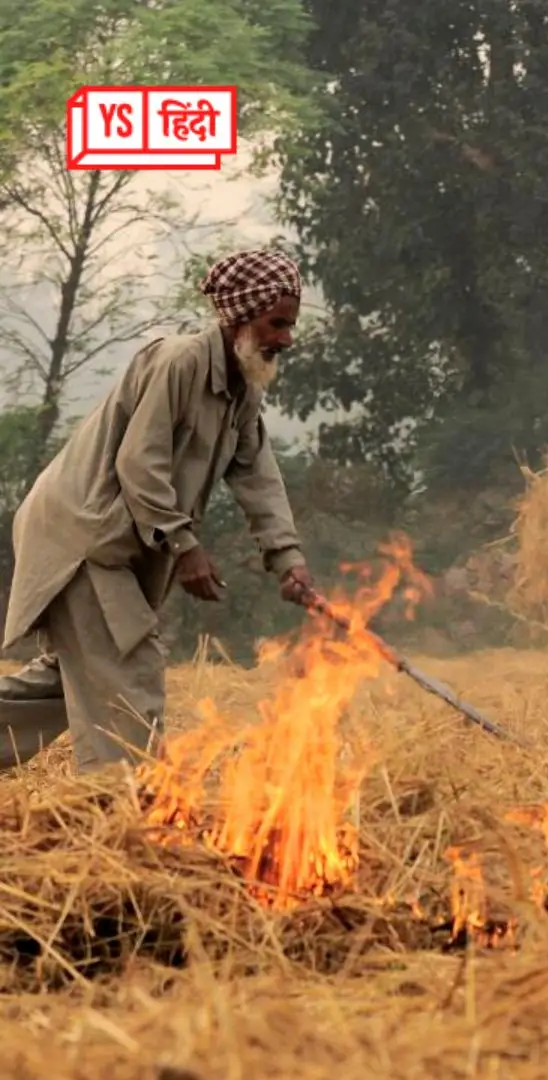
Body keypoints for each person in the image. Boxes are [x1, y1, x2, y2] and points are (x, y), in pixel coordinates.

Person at [0, 248, 318, 772]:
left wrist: (288, 560)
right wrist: (184, 544)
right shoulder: (179, 361)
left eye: (289, 325)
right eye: (276, 323)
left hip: (111, 543)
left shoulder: (245, 384)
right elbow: (138, 462)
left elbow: (258, 473)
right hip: (83, 536)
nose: (286, 338)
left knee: (72, 680)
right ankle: (119, 810)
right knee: (129, 666)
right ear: (239, 316)